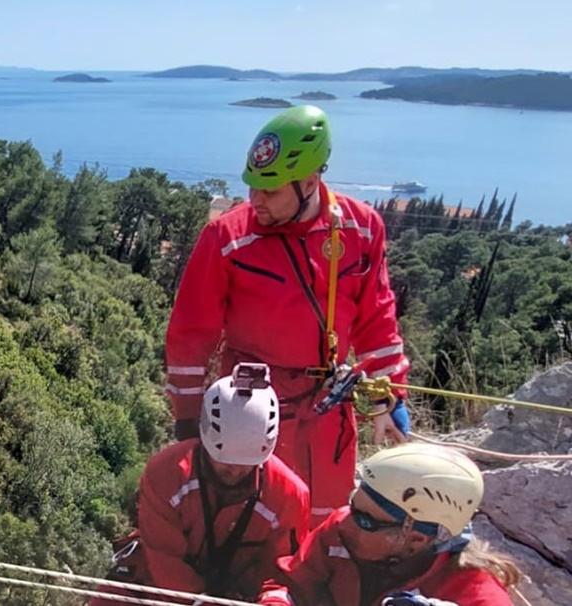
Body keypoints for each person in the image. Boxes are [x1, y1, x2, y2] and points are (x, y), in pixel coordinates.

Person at [164, 104, 411, 528]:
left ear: (310, 182)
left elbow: (377, 318)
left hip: (329, 409)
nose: (255, 199)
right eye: (252, 186)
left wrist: (392, 396)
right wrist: (188, 420)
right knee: (257, 522)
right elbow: (190, 334)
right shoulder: (229, 237)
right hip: (251, 409)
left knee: (324, 518)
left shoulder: (361, 229)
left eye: (270, 189)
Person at [89, 363, 310, 604]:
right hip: (162, 589)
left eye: (246, 463)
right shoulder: (166, 474)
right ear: (205, 440)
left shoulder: (289, 495)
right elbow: (164, 560)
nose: (235, 469)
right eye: (223, 460)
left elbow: (282, 573)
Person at [258, 442, 521, 606]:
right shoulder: (339, 532)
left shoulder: (474, 595)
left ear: (417, 539)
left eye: (365, 520)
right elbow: (291, 584)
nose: (346, 521)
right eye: (353, 505)